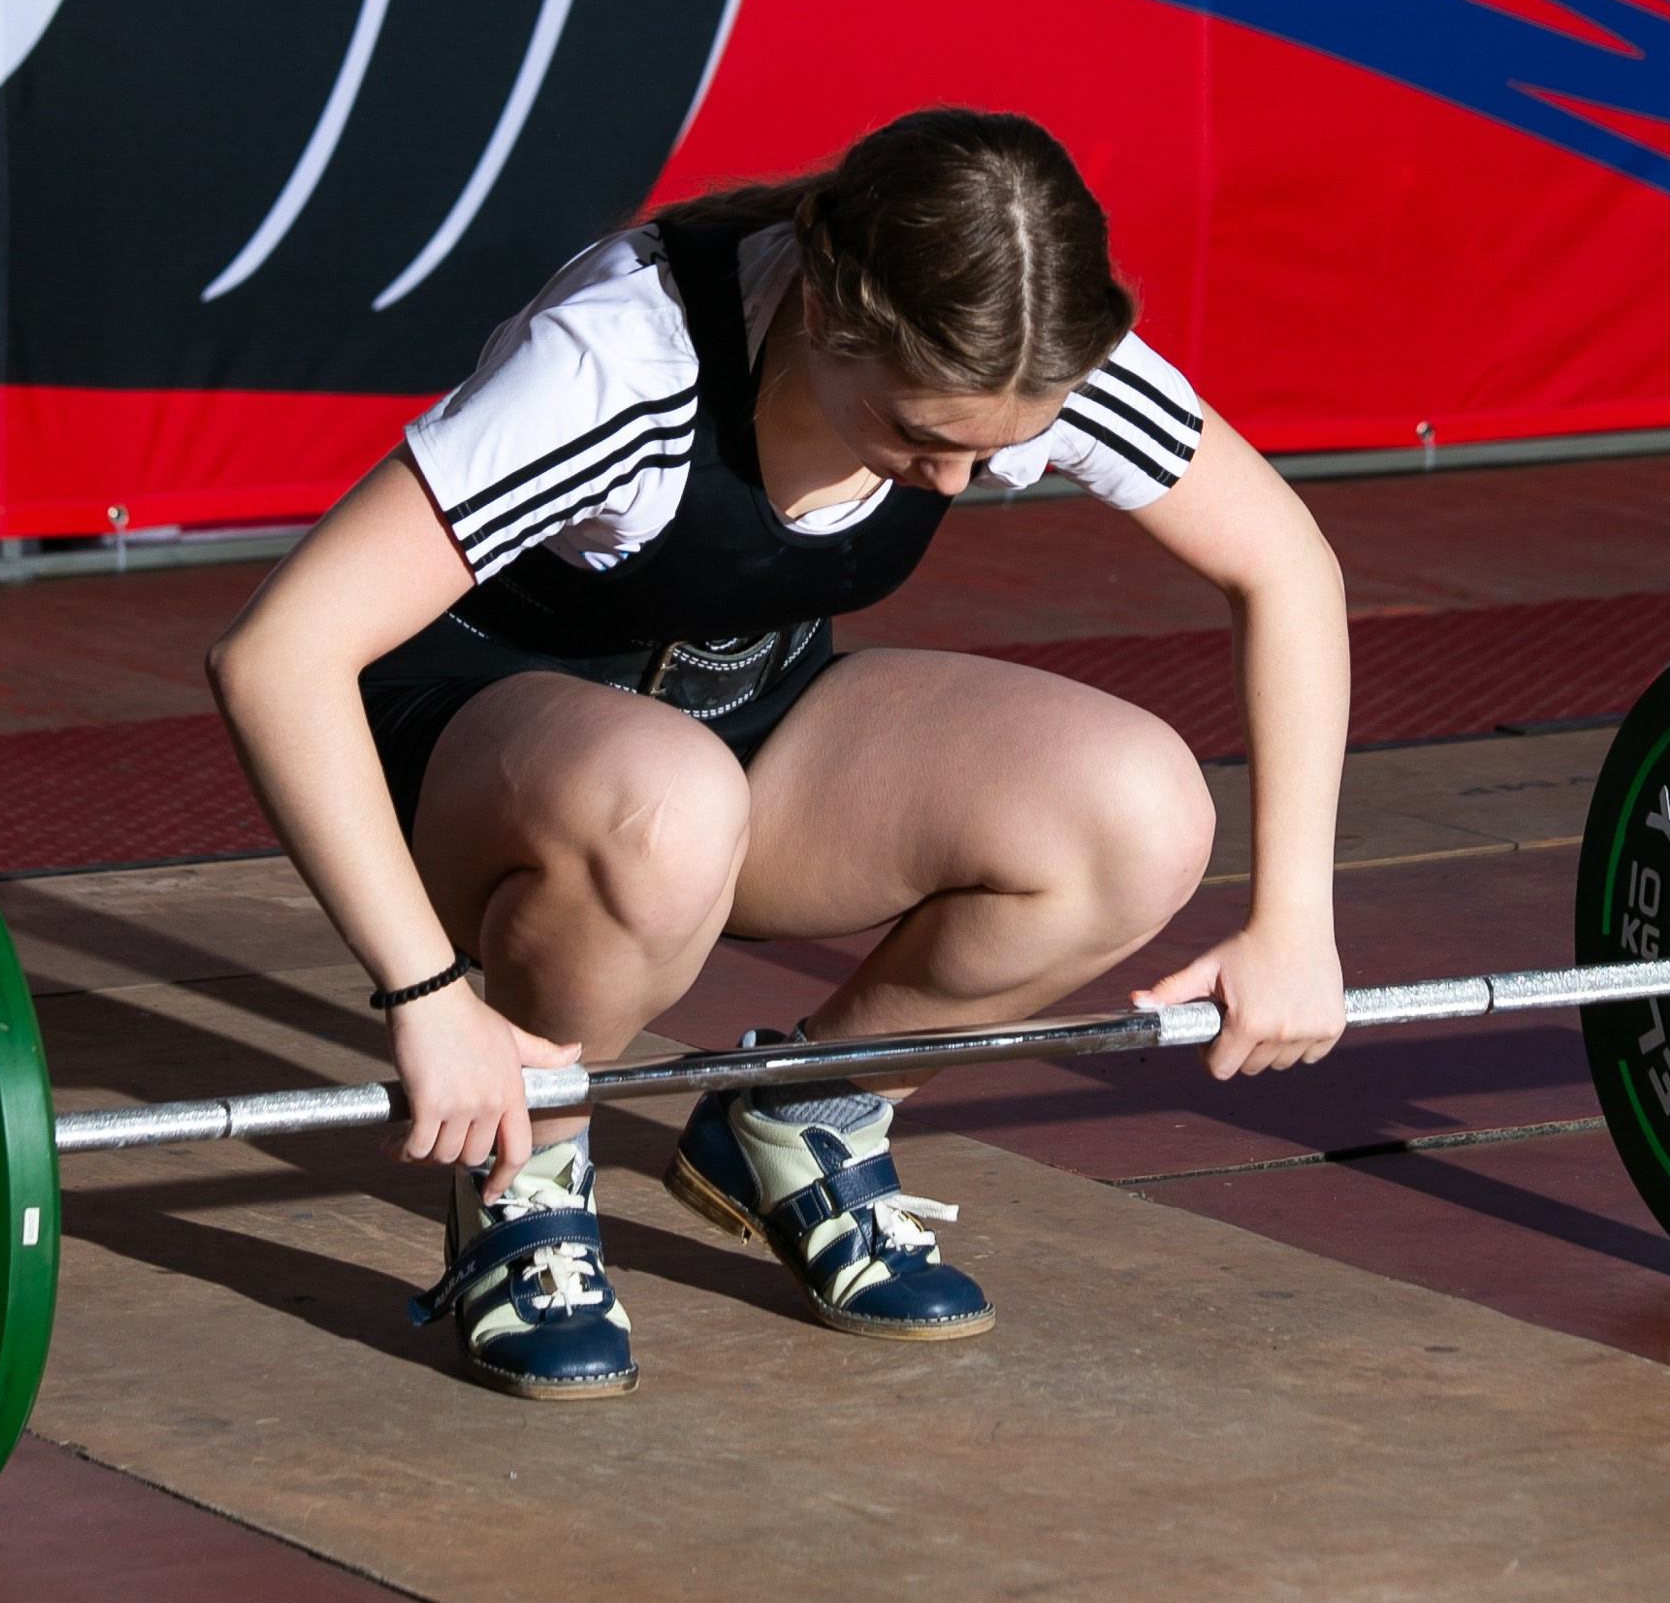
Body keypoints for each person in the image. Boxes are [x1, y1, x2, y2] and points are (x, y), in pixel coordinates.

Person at [209, 108, 1350, 1400]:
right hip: (480, 754)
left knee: (1140, 812)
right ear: (826, 311)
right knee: (665, 802)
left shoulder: (1020, 339)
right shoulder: (622, 363)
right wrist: (425, 998)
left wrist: (1294, 920)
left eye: (993, 443)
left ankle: (803, 1116)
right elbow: (278, 657)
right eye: (929, 439)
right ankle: (525, 1165)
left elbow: (1286, 565)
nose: (968, 480)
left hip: (735, 720)